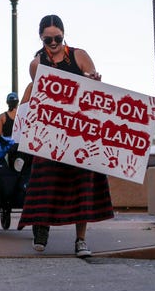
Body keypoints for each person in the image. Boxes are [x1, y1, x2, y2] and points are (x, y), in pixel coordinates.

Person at [17, 14, 114, 258]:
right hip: (50, 134)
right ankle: (41, 227)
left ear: (63, 34)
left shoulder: (79, 55)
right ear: (41, 37)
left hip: (80, 132)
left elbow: (94, 89)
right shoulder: (36, 63)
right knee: (44, 183)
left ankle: (81, 240)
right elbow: (41, 97)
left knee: (82, 185)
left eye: (57, 37)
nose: (53, 42)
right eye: (48, 38)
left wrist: (94, 81)